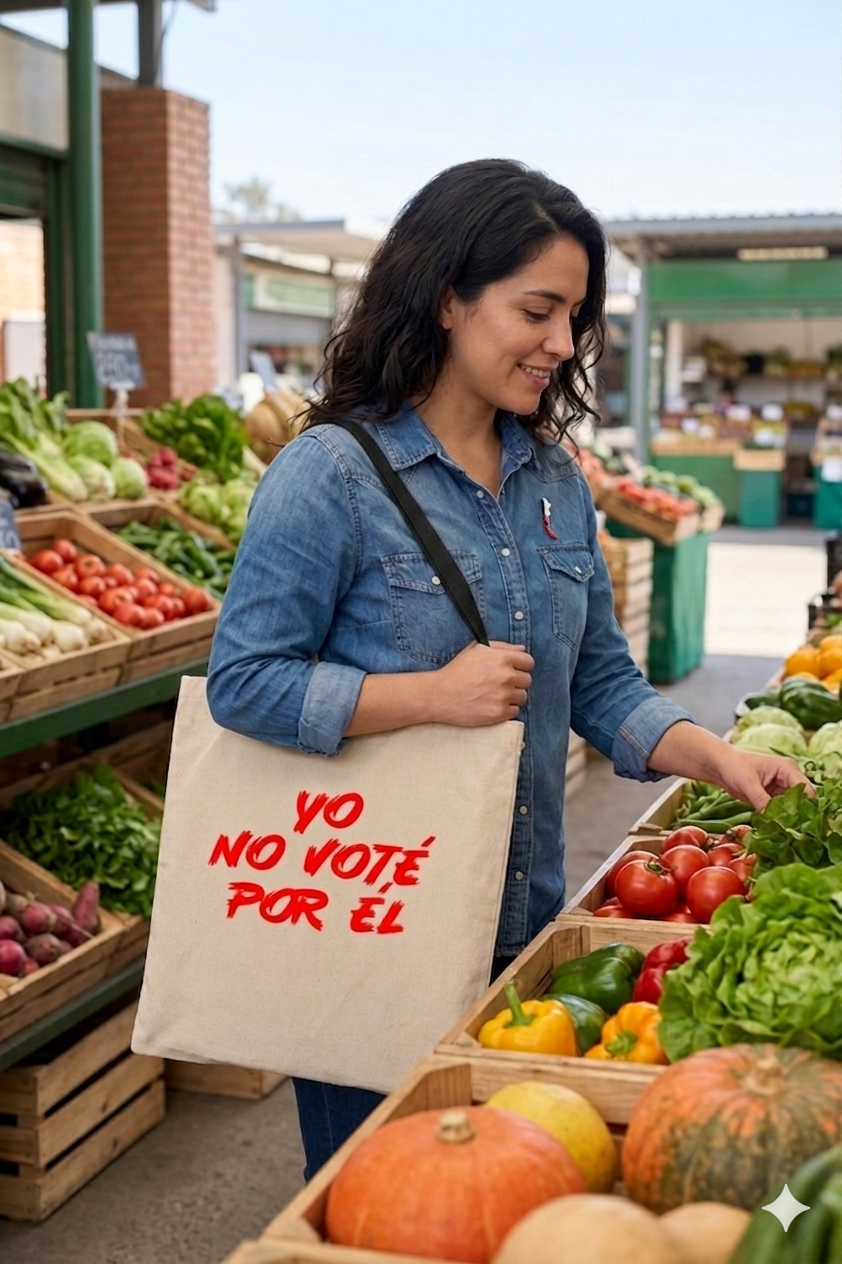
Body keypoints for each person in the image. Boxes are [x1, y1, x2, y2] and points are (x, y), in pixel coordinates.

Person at [206, 158, 807, 1178]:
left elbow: (600, 681)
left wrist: (720, 759)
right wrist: (430, 696)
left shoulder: (555, 478)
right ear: (448, 297)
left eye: (574, 316)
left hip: (523, 920)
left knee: (500, 1190)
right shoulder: (329, 475)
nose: (562, 344)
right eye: (537, 310)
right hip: (376, 926)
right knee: (382, 1198)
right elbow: (244, 681)